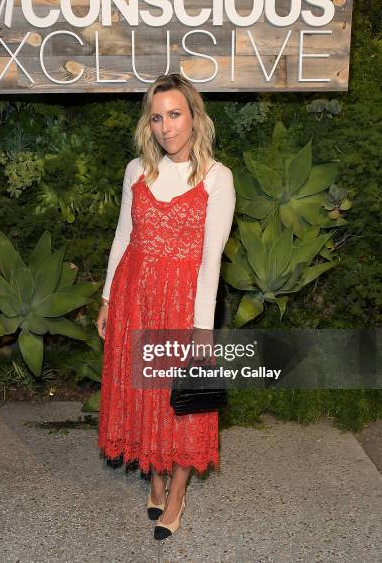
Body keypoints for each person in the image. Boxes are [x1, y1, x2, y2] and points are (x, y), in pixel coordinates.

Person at [96, 73, 236, 540]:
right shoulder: (137, 170)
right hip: (134, 296)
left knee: (185, 406)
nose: (166, 127)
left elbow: (211, 260)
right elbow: (123, 236)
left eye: (175, 114)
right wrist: (107, 297)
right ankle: (154, 481)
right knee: (143, 395)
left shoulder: (218, 179)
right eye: (156, 117)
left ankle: (176, 494)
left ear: (195, 117)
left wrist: (202, 329)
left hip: (184, 302)